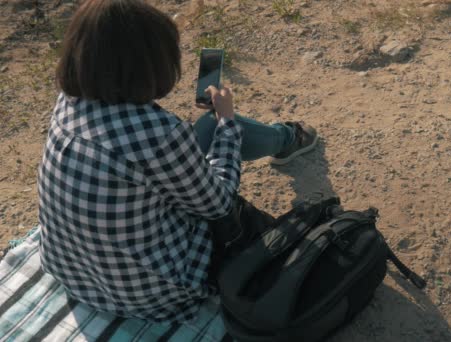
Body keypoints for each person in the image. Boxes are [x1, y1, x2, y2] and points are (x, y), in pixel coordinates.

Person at [37, 0, 317, 323]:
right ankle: (286, 138)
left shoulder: (67, 104)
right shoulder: (159, 134)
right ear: (150, 65)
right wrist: (227, 121)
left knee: (205, 130)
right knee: (216, 127)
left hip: (74, 276)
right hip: (154, 294)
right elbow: (220, 203)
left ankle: (284, 138)